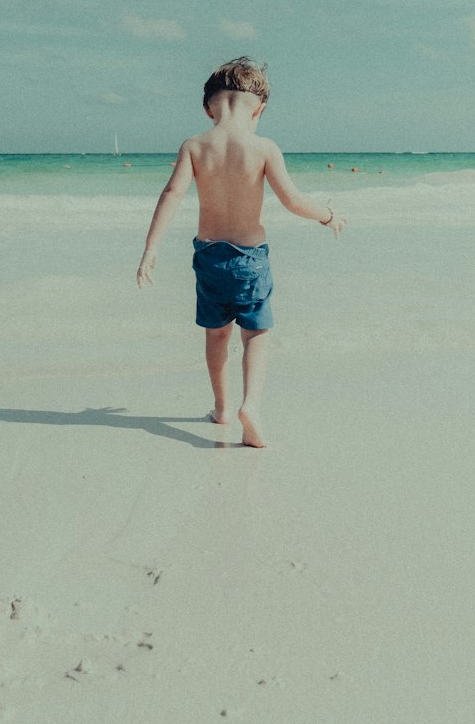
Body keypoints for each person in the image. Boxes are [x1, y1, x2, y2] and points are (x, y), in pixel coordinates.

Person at [136, 57, 346, 447]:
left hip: (209, 257)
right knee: (255, 335)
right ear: (259, 110)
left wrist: (151, 248)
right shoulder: (263, 147)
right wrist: (328, 215)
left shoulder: (195, 146)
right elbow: (293, 201)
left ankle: (222, 408)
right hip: (251, 259)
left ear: (208, 107)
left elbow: (173, 193)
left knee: (216, 334)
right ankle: (251, 406)